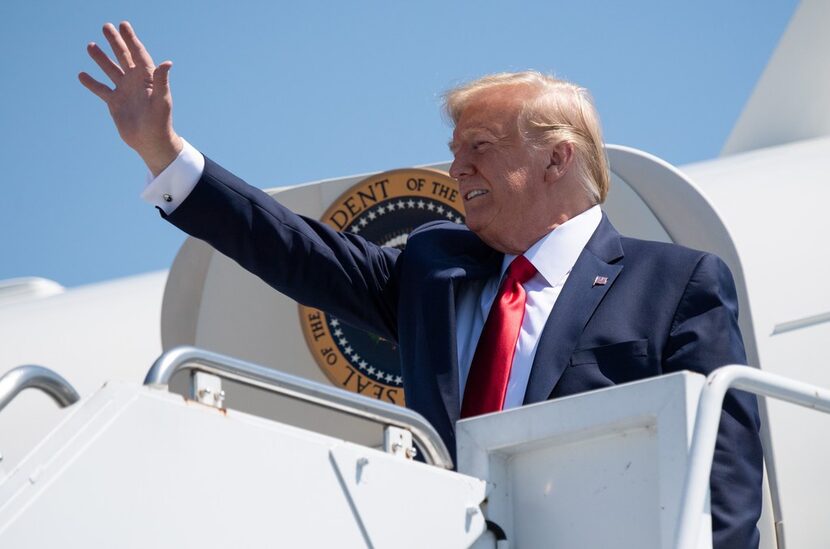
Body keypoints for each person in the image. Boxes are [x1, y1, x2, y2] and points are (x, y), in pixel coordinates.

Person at [79, 21, 763, 548]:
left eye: (480, 148)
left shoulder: (675, 285)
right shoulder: (434, 272)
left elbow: (726, 476)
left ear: (558, 158)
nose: (457, 169)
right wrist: (164, 154)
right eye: (454, 151)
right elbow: (295, 248)